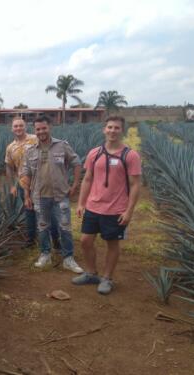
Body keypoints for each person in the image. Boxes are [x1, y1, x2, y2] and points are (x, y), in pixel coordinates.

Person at [72, 116, 141, 295]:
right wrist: (81, 203)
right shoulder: (94, 153)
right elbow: (87, 179)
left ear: (122, 131)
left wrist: (129, 211)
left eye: (116, 128)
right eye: (109, 127)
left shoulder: (130, 155)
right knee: (85, 241)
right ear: (104, 130)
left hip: (116, 209)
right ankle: (91, 273)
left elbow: (135, 185)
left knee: (112, 244)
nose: (112, 131)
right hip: (93, 206)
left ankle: (107, 278)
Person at [20, 116, 83, 273]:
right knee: (42, 227)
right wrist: (27, 195)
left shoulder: (62, 146)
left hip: (60, 195)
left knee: (65, 227)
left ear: (50, 127)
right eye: (38, 129)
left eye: (44, 128)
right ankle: (45, 254)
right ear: (35, 131)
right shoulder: (30, 151)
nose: (41, 131)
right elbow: (26, 173)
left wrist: (75, 184)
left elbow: (77, 163)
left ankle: (68, 258)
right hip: (39, 196)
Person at [5, 117, 61, 249]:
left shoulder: (35, 139)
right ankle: (31, 239)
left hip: (42, 183)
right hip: (23, 184)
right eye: (15, 126)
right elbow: (8, 166)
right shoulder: (10, 147)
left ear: (25, 127)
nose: (18, 128)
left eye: (20, 125)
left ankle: (56, 240)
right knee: (29, 212)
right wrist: (12, 185)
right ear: (12, 129)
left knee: (48, 212)